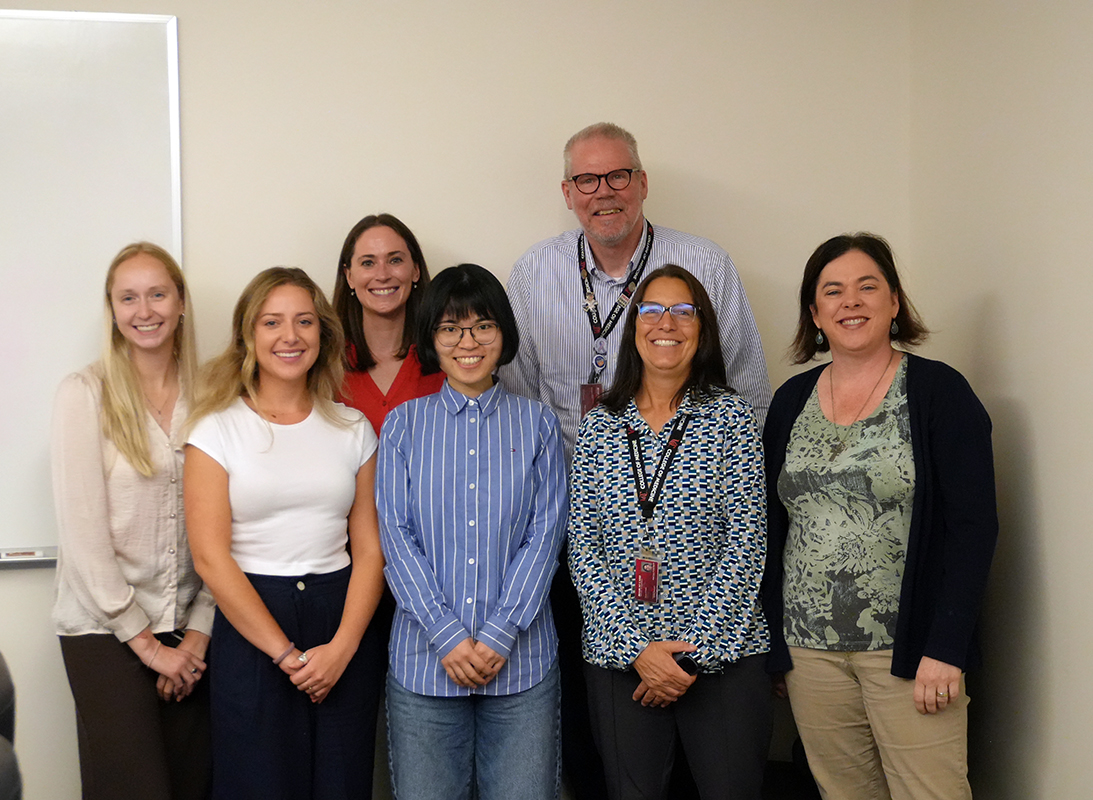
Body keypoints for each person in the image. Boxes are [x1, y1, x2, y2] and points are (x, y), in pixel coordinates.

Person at [501, 120, 772, 796]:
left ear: (641, 182)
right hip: (594, 570)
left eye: (617, 175)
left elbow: (749, 396)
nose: (604, 192)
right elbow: (522, 410)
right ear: (567, 192)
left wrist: (690, 653)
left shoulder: (704, 263)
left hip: (710, 598)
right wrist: (634, 649)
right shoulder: (534, 273)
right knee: (609, 770)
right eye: (587, 180)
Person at [762, 233, 998, 800]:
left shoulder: (939, 392)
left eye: (868, 287)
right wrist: (776, 646)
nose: (851, 301)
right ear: (814, 312)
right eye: (833, 291)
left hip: (912, 650)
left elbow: (973, 529)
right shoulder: (791, 399)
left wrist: (947, 648)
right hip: (809, 650)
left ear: (894, 302)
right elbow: (771, 526)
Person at [568, 265, 772, 800]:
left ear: (701, 328)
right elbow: (584, 547)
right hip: (621, 657)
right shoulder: (600, 424)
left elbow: (747, 543)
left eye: (684, 311)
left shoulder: (731, 417)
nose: (668, 323)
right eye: (653, 310)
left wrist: (689, 655)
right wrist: (641, 651)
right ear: (634, 325)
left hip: (724, 653)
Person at [184, 267, 386, 799]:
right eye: (272, 322)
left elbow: (369, 552)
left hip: (341, 620)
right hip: (253, 627)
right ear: (249, 336)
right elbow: (209, 557)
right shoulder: (216, 429)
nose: (289, 336)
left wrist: (341, 649)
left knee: (341, 786)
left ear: (323, 333)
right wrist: (283, 654)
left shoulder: (352, 427)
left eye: (303, 321)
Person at [377, 264, 567, 800]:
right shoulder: (403, 426)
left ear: (503, 334)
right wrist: (448, 636)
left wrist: (500, 633)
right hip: (424, 662)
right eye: (450, 328)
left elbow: (546, 534)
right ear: (431, 340)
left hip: (522, 665)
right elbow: (395, 535)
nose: (468, 341)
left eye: (483, 325)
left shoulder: (537, 424)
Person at [51, 242, 212, 800]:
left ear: (182, 301)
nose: (145, 310)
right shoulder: (84, 394)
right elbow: (83, 538)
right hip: (107, 630)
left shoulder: (213, 397)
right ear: (112, 310)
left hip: (190, 626)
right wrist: (149, 647)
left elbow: (226, 524)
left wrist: (197, 633)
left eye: (158, 293)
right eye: (128, 297)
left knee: (194, 786)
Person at [332, 213, 443, 436]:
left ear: (416, 270)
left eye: (395, 260)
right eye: (368, 263)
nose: (382, 275)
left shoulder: (447, 355)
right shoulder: (326, 361)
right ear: (349, 276)